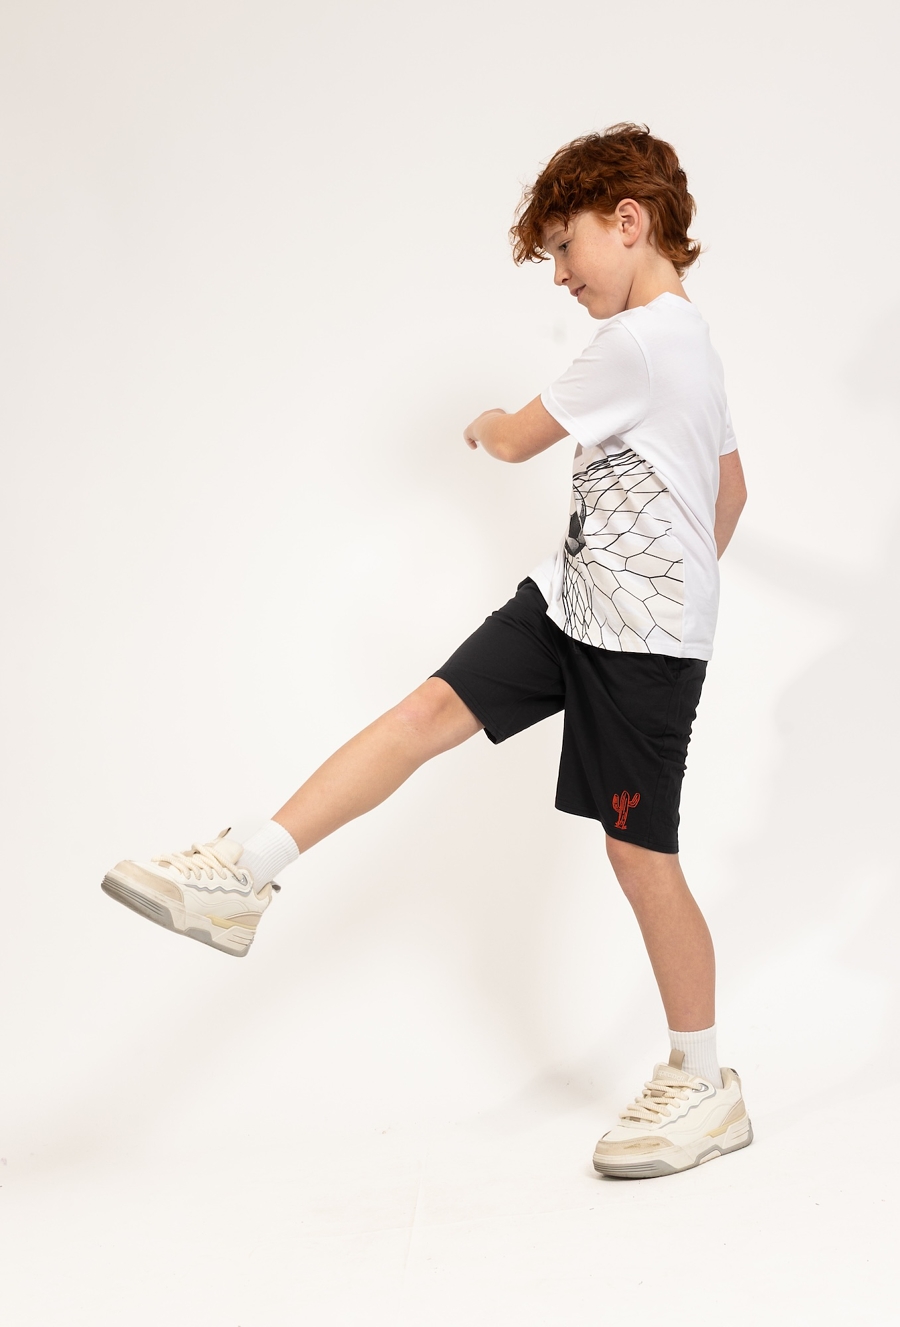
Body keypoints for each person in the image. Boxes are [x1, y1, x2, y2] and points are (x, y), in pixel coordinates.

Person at [102, 123, 750, 1179]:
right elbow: (731, 491)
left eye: (566, 246)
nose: (560, 275)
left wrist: (485, 424)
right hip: (570, 603)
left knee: (640, 856)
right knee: (424, 713)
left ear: (629, 221)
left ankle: (705, 1080)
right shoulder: (694, 346)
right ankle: (242, 872)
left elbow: (515, 439)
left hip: (640, 645)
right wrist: (673, 571)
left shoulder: (640, 343)